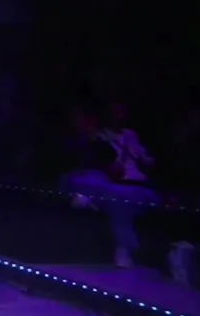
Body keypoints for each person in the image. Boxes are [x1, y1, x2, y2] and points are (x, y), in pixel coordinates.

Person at [64, 104, 158, 268]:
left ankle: (124, 246)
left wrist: (146, 163)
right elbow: (94, 162)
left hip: (137, 187)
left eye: (121, 112)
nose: (118, 116)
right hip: (112, 187)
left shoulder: (130, 135)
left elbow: (147, 160)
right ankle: (124, 248)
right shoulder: (97, 138)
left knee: (119, 197)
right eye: (113, 112)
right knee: (105, 190)